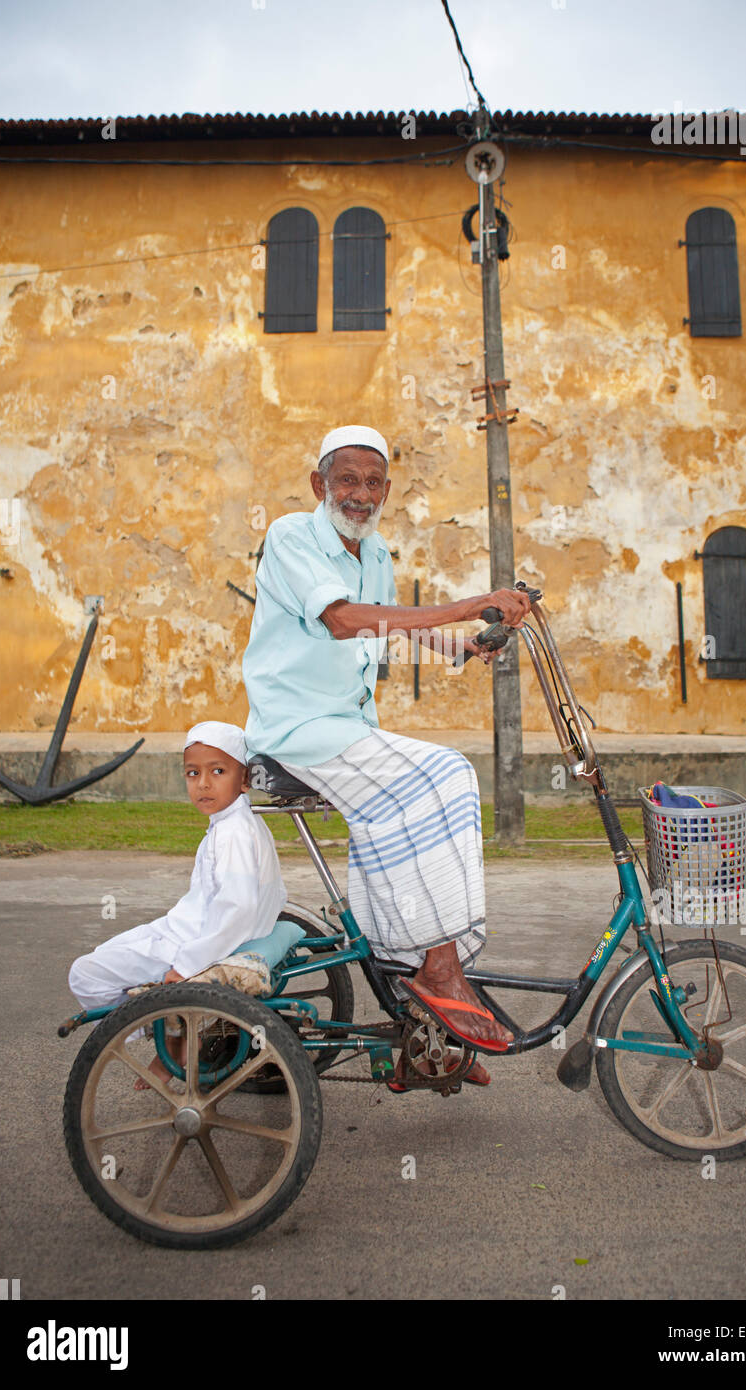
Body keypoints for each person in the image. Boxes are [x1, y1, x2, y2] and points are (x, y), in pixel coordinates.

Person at [242, 425, 531, 1085]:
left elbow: (386, 619)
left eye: (373, 483)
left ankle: (422, 1022)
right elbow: (343, 620)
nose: (360, 493)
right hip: (295, 730)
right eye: (347, 479)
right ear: (321, 485)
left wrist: (457, 647)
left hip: (345, 725)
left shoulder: (376, 552)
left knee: (402, 814)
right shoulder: (292, 537)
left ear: (386, 492)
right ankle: (438, 968)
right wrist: (466, 605)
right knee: (446, 773)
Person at [68, 721, 287, 1088]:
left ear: (244, 780)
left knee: (85, 973)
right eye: (193, 773)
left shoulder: (232, 833)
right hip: (187, 929)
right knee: (107, 952)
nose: (203, 783)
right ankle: (174, 1029)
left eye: (218, 771)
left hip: (194, 943)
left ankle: (173, 1035)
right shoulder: (235, 824)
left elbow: (238, 908)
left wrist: (187, 964)